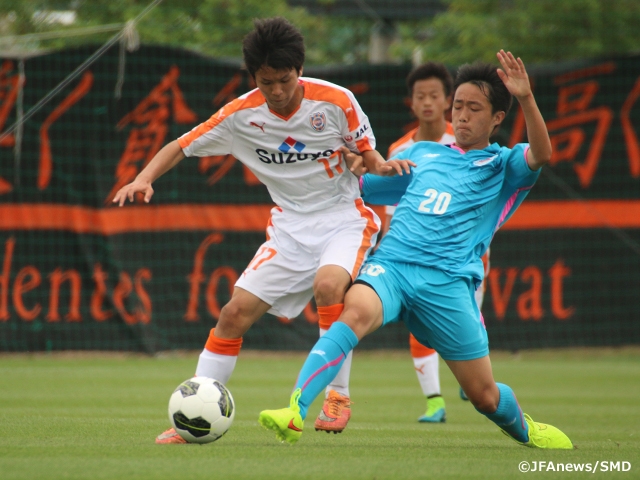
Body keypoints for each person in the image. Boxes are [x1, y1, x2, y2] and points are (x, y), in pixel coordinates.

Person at [112, 17, 412, 443]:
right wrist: (144, 178)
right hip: (290, 228)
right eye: (266, 81)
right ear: (253, 76)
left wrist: (381, 167)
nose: (277, 91)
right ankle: (192, 418)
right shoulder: (240, 115)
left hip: (344, 218)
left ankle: (337, 396)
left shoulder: (336, 101)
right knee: (233, 314)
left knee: (330, 287)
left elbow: (367, 155)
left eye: (285, 80)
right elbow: (180, 146)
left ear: (299, 70)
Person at [259, 50, 573, 449]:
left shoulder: (502, 165)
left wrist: (526, 97)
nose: (462, 115)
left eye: (474, 108)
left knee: (484, 397)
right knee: (353, 312)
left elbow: (541, 154)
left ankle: (524, 429)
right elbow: (359, 189)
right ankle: (295, 410)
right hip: (392, 268)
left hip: (447, 284)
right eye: (458, 106)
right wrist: (348, 167)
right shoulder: (419, 154)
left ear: (497, 118)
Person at [383, 62, 490, 422]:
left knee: (468, 320)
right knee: (419, 323)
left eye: (435, 96)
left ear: (448, 101)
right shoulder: (400, 149)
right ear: (411, 102)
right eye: (420, 96)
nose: (427, 102)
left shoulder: (465, 141)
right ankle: (434, 402)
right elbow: (392, 205)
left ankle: (472, 374)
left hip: (463, 256)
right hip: (415, 254)